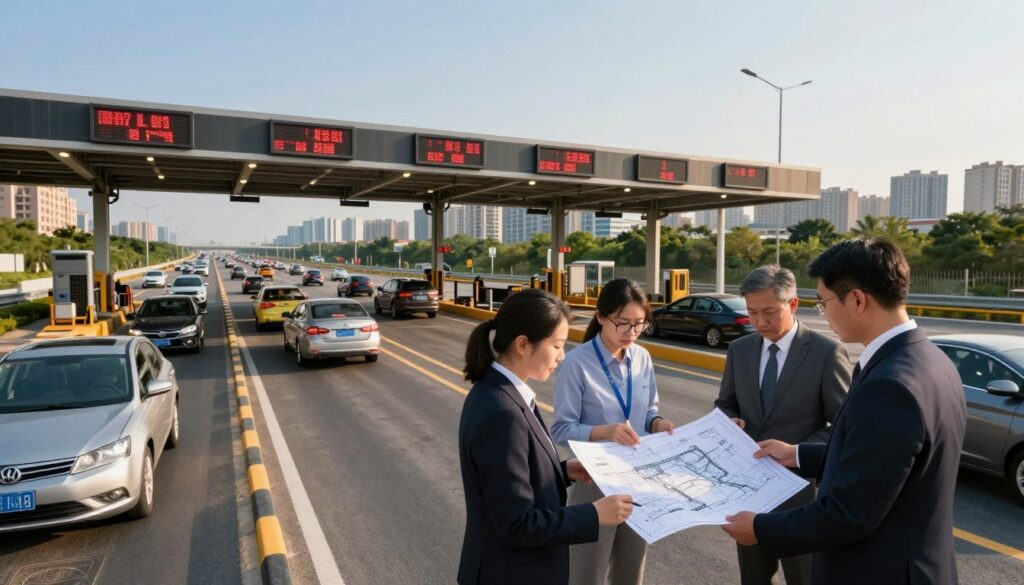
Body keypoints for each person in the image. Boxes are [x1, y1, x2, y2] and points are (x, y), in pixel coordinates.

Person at [722, 237, 967, 585]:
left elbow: (848, 514)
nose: (823, 313)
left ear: (856, 299)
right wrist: (797, 454)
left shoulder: (890, 386)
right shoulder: (930, 360)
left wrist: (758, 527)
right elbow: (878, 462)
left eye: (824, 303)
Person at [459, 288, 634, 585]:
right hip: (511, 573)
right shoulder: (502, 411)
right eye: (556, 346)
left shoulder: (502, 393)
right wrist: (593, 514)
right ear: (523, 345)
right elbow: (517, 524)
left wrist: (562, 471)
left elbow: (513, 478)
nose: (562, 356)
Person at [714, 265, 851, 585]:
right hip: (748, 491)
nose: (759, 322)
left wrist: (796, 452)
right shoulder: (739, 350)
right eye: (751, 313)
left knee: (804, 577)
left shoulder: (826, 352)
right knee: (754, 577)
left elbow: (845, 425)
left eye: (768, 312)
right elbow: (725, 403)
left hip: (799, 497)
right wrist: (728, 420)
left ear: (792, 304)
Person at [551, 278, 674, 585]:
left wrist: (658, 424)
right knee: (586, 574)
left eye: (639, 324)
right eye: (622, 324)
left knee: (631, 573)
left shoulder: (642, 358)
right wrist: (604, 431)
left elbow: (648, 412)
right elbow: (561, 430)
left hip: (639, 480)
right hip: (596, 481)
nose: (631, 333)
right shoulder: (576, 364)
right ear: (601, 317)